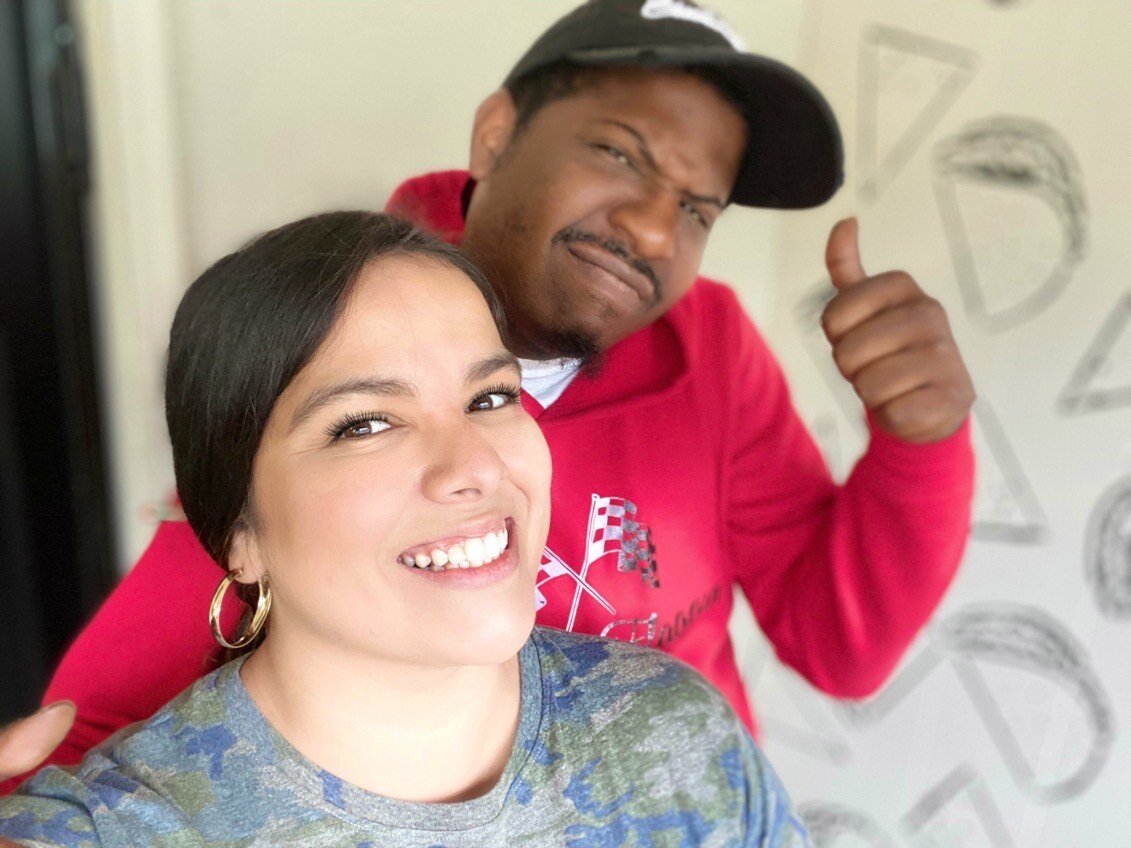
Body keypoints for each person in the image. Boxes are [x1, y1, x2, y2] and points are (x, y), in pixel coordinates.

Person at [1, 0, 975, 790]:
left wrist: (921, 440)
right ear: (496, 133)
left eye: (696, 207)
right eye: (621, 154)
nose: (650, 227)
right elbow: (94, 736)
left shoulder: (706, 341)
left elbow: (839, 643)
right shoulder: (328, 339)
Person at [0, 211, 809, 846]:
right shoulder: (110, 832)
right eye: (364, 424)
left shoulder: (671, 732)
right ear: (237, 533)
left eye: (491, 398)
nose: (473, 466)